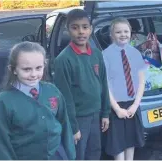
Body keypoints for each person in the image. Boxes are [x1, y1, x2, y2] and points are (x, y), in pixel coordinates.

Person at [0, 41, 76, 160]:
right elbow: (0, 142)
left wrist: (70, 155)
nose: (34, 74)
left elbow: (64, 123)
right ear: (13, 69)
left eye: (38, 68)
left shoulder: (52, 90)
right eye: (27, 69)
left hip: (57, 155)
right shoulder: (4, 102)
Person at [53, 9, 111, 160]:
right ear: (68, 29)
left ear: (91, 29)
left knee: (95, 152)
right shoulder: (63, 60)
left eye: (85, 27)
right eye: (75, 27)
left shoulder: (97, 54)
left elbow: (104, 84)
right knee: (79, 154)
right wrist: (73, 127)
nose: (81, 32)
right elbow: (65, 98)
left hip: (96, 115)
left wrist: (105, 113)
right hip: (78, 118)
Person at [101, 17, 147, 160]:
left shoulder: (135, 53)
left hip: (132, 105)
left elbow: (141, 82)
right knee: (118, 145)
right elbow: (105, 85)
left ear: (131, 32)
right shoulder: (105, 55)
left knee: (130, 142)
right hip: (116, 107)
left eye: (126, 31)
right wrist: (116, 109)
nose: (123, 34)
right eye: (118, 32)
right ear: (111, 34)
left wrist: (135, 105)